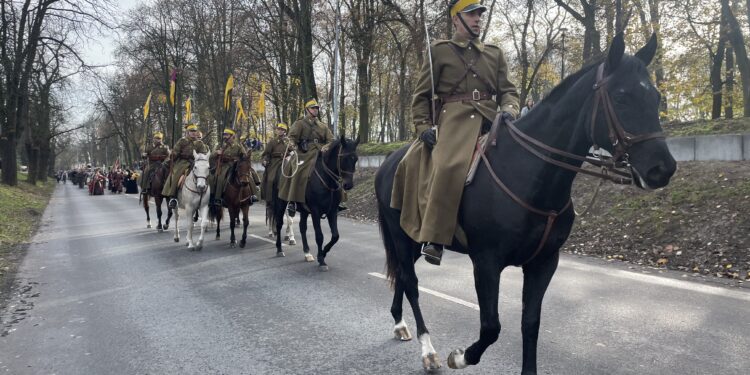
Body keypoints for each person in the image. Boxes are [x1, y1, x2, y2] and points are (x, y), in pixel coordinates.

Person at [390, 0, 520, 265]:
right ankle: (435, 238)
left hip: (491, 119)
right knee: (447, 166)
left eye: (480, 15)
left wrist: (509, 109)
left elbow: (508, 90)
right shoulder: (439, 51)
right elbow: (422, 96)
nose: (477, 19)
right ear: (456, 19)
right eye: (471, 14)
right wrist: (424, 127)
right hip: (454, 121)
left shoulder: (494, 54)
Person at [278, 97, 347, 214]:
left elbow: (331, 140)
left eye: (317, 108)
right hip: (304, 153)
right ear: (307, 110)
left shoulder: (322, 126)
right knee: (297, 170)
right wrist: (293, 146)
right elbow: (291, 138)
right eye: (313, 108)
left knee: (335, 170)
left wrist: (327, 146)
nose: (315, 110)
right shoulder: (299, 124)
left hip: (320, 152)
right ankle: (292, 201)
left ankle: (339, 199)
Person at [161, 123, 210, 209]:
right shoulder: (182, 141)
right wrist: (173, 155)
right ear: (187, 132)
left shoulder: (200, 143)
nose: (194, 133)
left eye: (195, 131)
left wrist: (200, 158)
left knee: (206, 175)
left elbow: (204, 153)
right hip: (183, 162)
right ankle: (173, 197)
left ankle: (209, 197)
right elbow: (176, 151)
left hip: (196, 163)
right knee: (176, 175)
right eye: (191, 131)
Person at [209, 128, 256, 207]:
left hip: (236, 165)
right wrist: (217, 152)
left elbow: (244, 156)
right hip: (224, 165)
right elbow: (211, 156)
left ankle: (253, 195)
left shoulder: (238, 146)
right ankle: (217, 198)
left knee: (249, 175)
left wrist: (243, 157)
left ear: (232, 136)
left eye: (227, 135)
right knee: (220, 178)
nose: (225, 137)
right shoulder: (220, 145)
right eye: (224, 135)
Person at [261, 123, 290, 203]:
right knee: (270, 179)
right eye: (279, 129)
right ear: (276, 130)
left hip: (286, 161)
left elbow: (293, 150)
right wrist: (265, 160)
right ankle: (269, 200)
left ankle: (292, 200)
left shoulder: (288, 142)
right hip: (274, 162)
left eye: (282, 130)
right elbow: (266, 153)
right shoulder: (272, 142)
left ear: (285, 131)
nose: (280, 131)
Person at [139, 132, 171, 196]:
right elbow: (145, 154)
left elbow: (169, 156)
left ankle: (170, 188)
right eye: (157, 138)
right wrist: (144, 155)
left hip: (162, 164)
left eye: (159, 139)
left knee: (169, 172)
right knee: (146, 172)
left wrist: (164, 161)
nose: (158, 140)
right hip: (152, 164)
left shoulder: (165, 147)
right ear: (154, 139)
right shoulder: (149, 147)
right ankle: (145, 188)